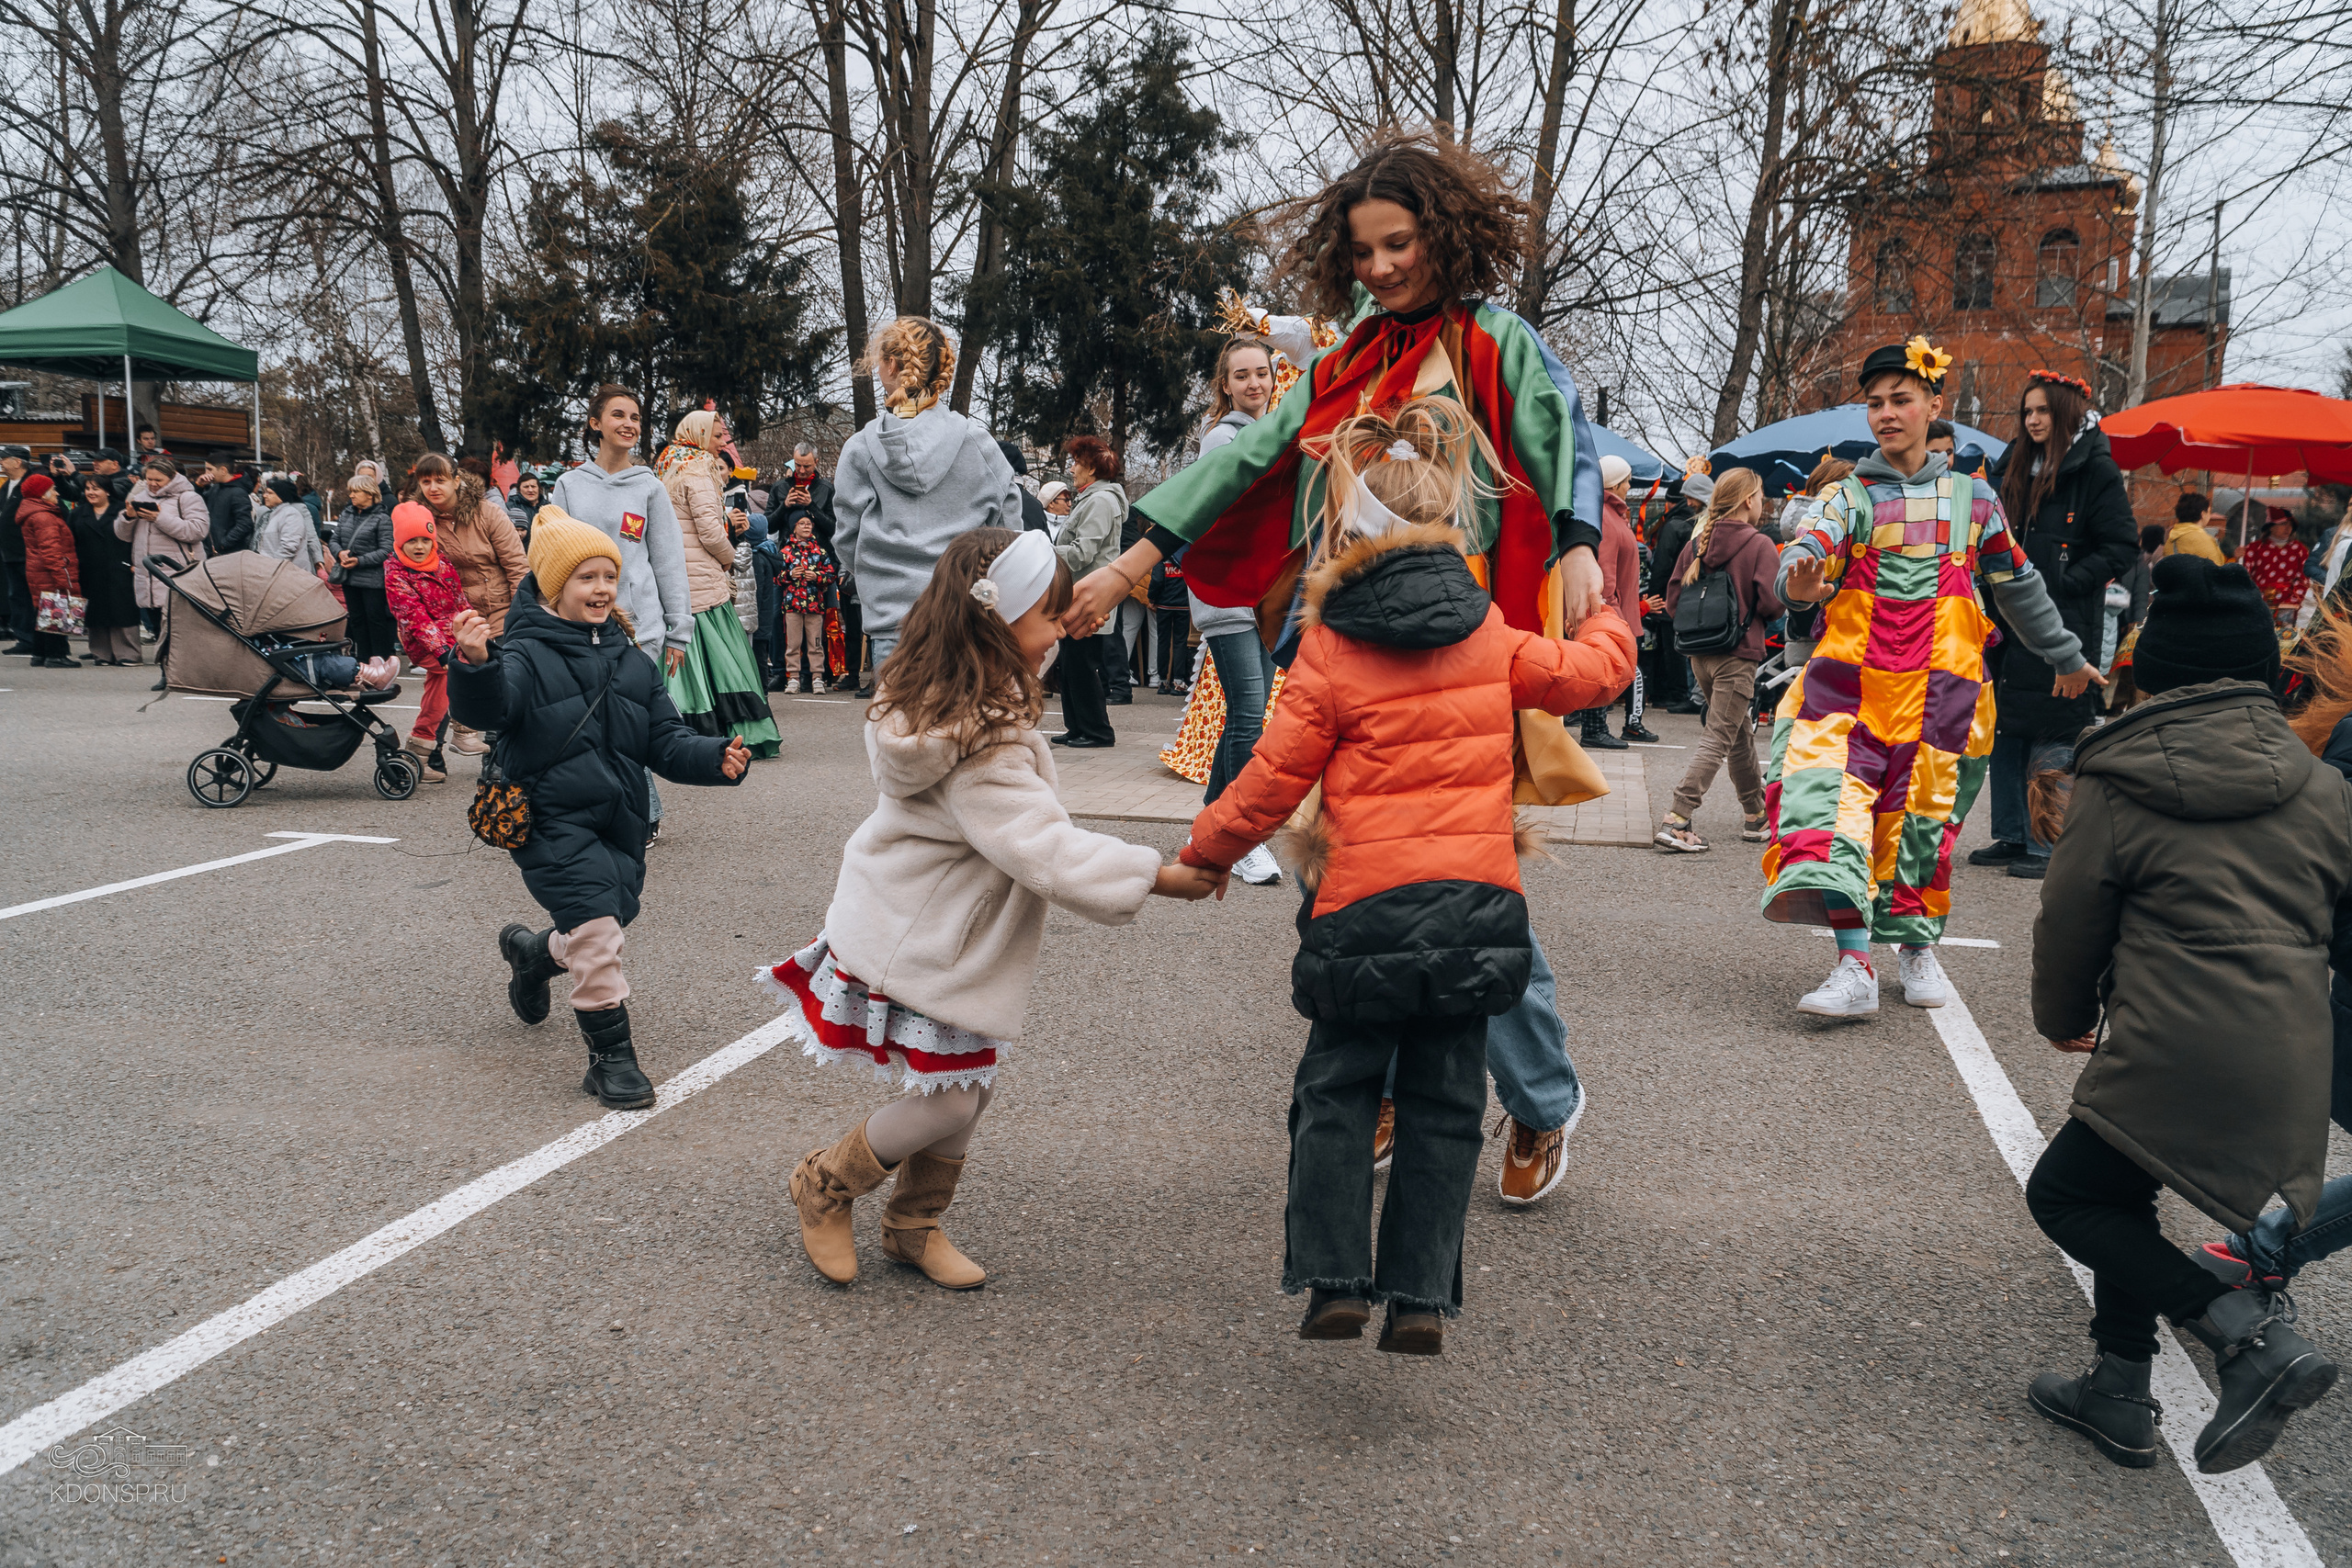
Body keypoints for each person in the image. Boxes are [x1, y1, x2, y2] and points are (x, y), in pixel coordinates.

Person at [1172, 398, 1635, 1352]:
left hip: (1361, 916)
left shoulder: (1332, 651)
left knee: (1335, 1093)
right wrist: (1610, 624)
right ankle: (1420, 1297)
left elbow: (1267, 780)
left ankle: (1336, 1278)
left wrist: (1204, 854)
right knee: (1445, 1107)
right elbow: (1588, 678)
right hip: (1475, 912)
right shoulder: (1490, 637)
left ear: (1348, 530)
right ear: (1445, 531)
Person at [768, 528, 1215, 1289]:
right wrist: (1159, 874)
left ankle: (915, 1223)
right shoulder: (981, 741)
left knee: (963, 1088)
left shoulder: (945, 699)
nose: (1067, 628)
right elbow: (1045, 847)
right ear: (996, 622)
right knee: (951, 1101)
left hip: (931, 929)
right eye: (1052, 613)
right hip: (930, 941)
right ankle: (826, 1182)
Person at [2024, 555, 2347, 1475]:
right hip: (2289, 1053)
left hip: (2170, 1045)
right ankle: (2119, 1391)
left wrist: (2061, 1015)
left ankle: (2241, 1334)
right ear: (2263, 676)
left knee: (2067, 1193)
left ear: (2150, 674)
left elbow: (2070, 919)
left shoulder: (2115, 782)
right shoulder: (2326, 790)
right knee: (2119, 1180)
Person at [1766, 336, 2099, 1019]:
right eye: (1875, 403)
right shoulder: (1850, 496)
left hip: (1942, 698)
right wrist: (1799, 582)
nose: (1886, 414)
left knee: (1923, 828)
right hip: (1847, 694)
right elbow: (1808, 551)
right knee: (1829, 812)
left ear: (1933, 404)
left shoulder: (1973, 499)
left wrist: (2065, 655)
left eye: (1901, 400)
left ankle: (1915, 944)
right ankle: (1855, 963)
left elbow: (2019, 585)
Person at [465, 512, 749, 1111]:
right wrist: (474, 665)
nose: (600, 589)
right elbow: (493, 706)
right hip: (547, 820)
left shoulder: (630, 660)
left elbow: (664, 739)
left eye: (607, 577)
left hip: (617, 819)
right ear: (550, 586)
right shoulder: (521, 654)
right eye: (584, 577)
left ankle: (534, 954)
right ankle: (611, 1061)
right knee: (597, 929)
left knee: (601, 922)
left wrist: (714, 755)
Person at [1967, 368, 2140, 882]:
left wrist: (2068, 579)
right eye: (2027, 412)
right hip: (2007, 612)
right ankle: (2012, 834)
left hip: (2065, 616)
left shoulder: (2097, 471)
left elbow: (2121, 545)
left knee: (2057, 723)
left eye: (2043, 411)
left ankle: (2048, 841)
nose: (2034, 420)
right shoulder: (2012, 463)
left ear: (2065, 413)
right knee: (2007, 721)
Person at [833, 316, 1025, 680]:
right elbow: (1009, 531)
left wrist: (877, 578)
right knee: (964, 733)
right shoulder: (979, 445)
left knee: (898, 734)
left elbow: (847, 537)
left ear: (892, 364)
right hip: (965, 616)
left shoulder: (861, 450)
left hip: (892, 619)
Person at [549, 387, 695, 838]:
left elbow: (668, 560)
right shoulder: (569, 486)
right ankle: (601, 811)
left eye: (635, 417)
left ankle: (642, 814)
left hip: (640, 630)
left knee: (628, 724)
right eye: (618, 415)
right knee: (591, 724)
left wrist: (679, 631)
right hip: (579, 628)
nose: (629, 424)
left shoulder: (649, 487)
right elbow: (552, 558)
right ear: (596, 424)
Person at [1183, 334, 1294, 882]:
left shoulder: (1269, 434)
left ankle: (1209, 822)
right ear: (1224, 385)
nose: (1254, 383)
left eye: (1261, 373)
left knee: (1245, 716)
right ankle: (1235, 835)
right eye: (1242, 375)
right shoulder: (1223, 440)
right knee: (1250, 715)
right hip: (1230, 597)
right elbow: (1225, 515)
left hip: (1264, 597)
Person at [1654, 468, 1784, 852]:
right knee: (1719, 737)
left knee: (1737, 731)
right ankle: (1677, 818)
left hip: (1700, 655)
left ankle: (1755, 816)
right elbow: (1773, 604)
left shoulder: (1697, 542)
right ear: (1748, 500)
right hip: (1737, 653)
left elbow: (1674, 600)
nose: (1763, 503)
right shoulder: (1759, 544)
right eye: (1761, 495)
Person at [654, 410, 782, 759]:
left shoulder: (667, 464)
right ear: (698, 433)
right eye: (718, 433)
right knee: (726, 662)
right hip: (704, 579)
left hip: (675, 576)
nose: (723, 440)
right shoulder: (700, 469)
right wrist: (727, 556)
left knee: (687, 661)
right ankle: (737, 734)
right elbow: (709, 531)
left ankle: (678, 736)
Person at [408, 453, 528, 757]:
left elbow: (517, 566)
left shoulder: (487, 513)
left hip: (501, 611)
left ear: (456, 480)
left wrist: (522, 615)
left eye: (440, 480)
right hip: (455, 617)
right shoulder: (421, 521)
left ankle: (502, 759)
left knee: (501, 685)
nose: (433, 487)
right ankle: (429, 756)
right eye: (426, 482)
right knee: (449, 685)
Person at [1050, 434, 1126, 749]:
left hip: (1090, 595)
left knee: (1081, 667)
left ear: (1092, 469)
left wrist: (1046, 549)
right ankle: (1078, 727)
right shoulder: (1092, 498)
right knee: (1071, 665)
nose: (1072, 469)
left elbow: (1083, 552)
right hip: (1081, 594)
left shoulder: (1100, 501)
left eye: (1077, 463)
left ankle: (1097, 731)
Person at [382, 502, 467, 784]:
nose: (419, 547)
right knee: (447, 673)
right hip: (422, 641)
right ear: (399, 542)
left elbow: (459, 599)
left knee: (453, 681)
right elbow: (414, 617)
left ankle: (422, 751)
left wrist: (473, 626)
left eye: (424, 540)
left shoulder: (442, 563)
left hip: (451, 635)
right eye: (411, 541)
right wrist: (441, 649)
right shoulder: (396, 573)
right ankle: (461, 731)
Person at [1578, 452, 1648, 750]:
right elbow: (1604, 567)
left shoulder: (1611, 514)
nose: (1630, 486)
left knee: (1605, 667)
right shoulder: (1605, 515)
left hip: (1617, 605)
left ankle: (1596, 727)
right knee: (1602, 667)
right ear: (1616, 483)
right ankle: (1594, 728)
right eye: (1627, 481)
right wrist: (1609, 608)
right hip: (1610, 607)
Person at [1642, 469, 1709, 714]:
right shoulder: (1702, 523)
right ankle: (1693, 693)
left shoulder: (1674, 526)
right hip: (1698, 595)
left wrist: (1654, 595)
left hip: (1673, 595)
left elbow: (1661, 566)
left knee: (1673, 648)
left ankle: (1677, 694)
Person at [67, 474, 140, 665]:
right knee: (95, 612)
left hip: (119, 567)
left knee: (123, 610)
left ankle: (127, 654)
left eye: (96, 489)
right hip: (89, 569)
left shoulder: (122, 510)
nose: (91, 493)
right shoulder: (78, 513)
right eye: (88, 489)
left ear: (107, 491)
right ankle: (101, 654)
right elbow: (71, 542)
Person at [17, 475, 82, 667]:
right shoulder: (44, 516)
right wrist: (62, 575)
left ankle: (40, 654)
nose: (57, 493)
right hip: (50, 570)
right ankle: (56, 655)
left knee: (43, 609)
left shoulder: (35, 513)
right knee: (56, 607)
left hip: (38, 570)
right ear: (42, 494)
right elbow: (51, 550)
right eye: (53, 489)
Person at [333, 473, 398, 660]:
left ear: (369, 494)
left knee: (375, 620)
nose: (351, 495)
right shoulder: (347, 514)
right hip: (349, 578)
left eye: (356, 491)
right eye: (350, 491)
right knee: (357, 620)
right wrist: (339, 553)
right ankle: (362, 660)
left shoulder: (382, 518)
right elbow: (335, 538)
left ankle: (381, 659)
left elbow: (387, 549)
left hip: (372, 581)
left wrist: (360, 561)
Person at [776, 516, 837, 692]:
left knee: (816, 644)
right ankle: (793, 677)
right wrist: (790, 575)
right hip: (792, 605)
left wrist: (817, 577)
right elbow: (777, 577)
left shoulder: (820, 552)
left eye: (809, 524)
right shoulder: (785, 552)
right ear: (794, 528)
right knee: (793, 644)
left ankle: (817, 677)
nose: (806, 527)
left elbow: (831, 575)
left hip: (814, 605)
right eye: (801, 523)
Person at [2241, 514, 2310, 626]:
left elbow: (2303, 579)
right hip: (2258, 603)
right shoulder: (2254, 548)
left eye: (2290, 525)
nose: (2288, 528)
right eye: (2283, 524)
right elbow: (2244, 576)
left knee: (2284, 637)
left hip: (2288, 606)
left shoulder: (2300, 550)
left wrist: (2292, 601)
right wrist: (2238, 558)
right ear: (2271, 527)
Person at [1, 446, 36, 654]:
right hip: (9, 552)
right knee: (17, 596)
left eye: (4, 459)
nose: (1, 463)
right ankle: (24, 638)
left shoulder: (31, 484)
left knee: (32, 596)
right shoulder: (7, 486)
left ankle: (38, 639)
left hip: (28, 551)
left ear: (17, 462)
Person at [254, 474, 323, 572]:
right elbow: (260, 541)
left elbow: (310, 536)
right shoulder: (266, 512)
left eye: (270, 493)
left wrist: (318, 560)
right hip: (271, 568)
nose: (265, 495)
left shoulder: (294, 512)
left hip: (287, 570)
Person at [1149, 553, 1193, 694]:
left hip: (1164, 605)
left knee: (1163, 642)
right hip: (1183, 605)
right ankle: (1178, 682)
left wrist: (1152, 599)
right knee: (1180, 643)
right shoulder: (1187, 554)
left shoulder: (1162, 554)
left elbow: (1156, 580)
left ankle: (1162, 682)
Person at [198, 451, 255, 556]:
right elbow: (198, 507)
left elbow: (245, 524)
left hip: (229, 554)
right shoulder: (214, 488)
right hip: (213, 552)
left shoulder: (238, 492)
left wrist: (224, 544)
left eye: (209, 469)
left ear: (223, 470)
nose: (206, 473)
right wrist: (199, 486)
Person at [2167, 492, 2224, 563]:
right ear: (2203, 514)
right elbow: (2216, 569)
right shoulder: (2205, 541)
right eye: (2209, 512)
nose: (2210, 516)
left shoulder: (2171, 539)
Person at [504, 469, 546, 539]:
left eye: (533, 486)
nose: (530, 490)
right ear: (519, 490)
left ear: (539, 488)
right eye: (526, 487)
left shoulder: (547, 507)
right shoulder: (510, 507)